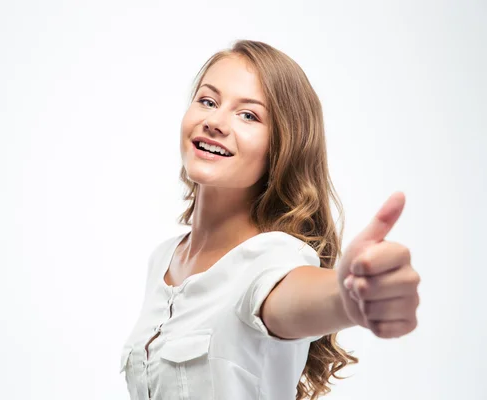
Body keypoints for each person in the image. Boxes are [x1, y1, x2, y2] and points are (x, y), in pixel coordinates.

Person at [119, 40, 421, 400]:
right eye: (207, 101)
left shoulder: (273, 260)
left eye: (248, 115)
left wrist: (349, 296)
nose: (214, 121)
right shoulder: (163, 260)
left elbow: (302, 295)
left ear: (282, 148)